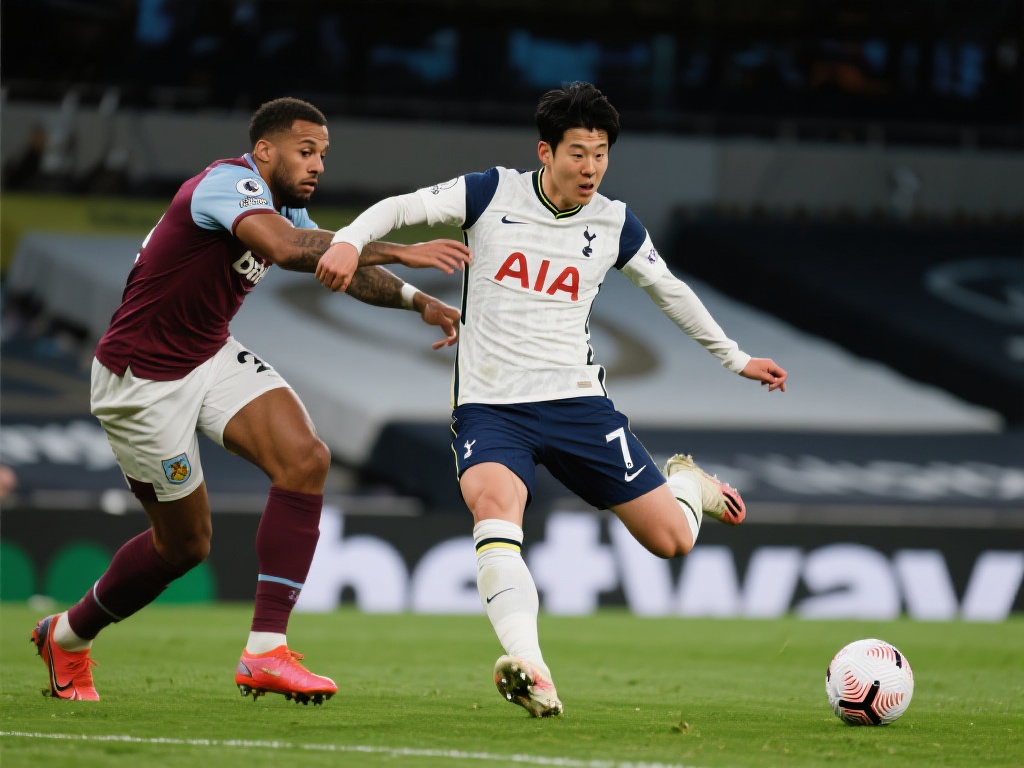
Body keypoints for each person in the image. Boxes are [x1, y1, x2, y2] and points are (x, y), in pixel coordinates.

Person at [317, 81, 787, 717]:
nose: (591, 167)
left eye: (601, 154)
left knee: (673, 541)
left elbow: (670, 290)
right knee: (493, 508)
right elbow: (401, 209)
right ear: (546, 151)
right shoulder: (490, 193)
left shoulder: (615, 222)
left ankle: (686, 481)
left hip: (577, 406)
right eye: (578, 153)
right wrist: (348, 240)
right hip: (490, 408)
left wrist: (735, 358)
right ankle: (530, 667)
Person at [31, 97, 471, 705]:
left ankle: (266, 651)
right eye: (305, 151)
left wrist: (415, 300)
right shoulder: (224, 184)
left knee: (306, 459)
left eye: (323, 154)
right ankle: (67, 636)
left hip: (207, 353)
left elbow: (330, 260)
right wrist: (397, 248)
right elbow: (290, 249)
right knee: (184, 546)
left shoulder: (282, 206)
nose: (317, 165)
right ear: (264, 150)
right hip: (141, 380)